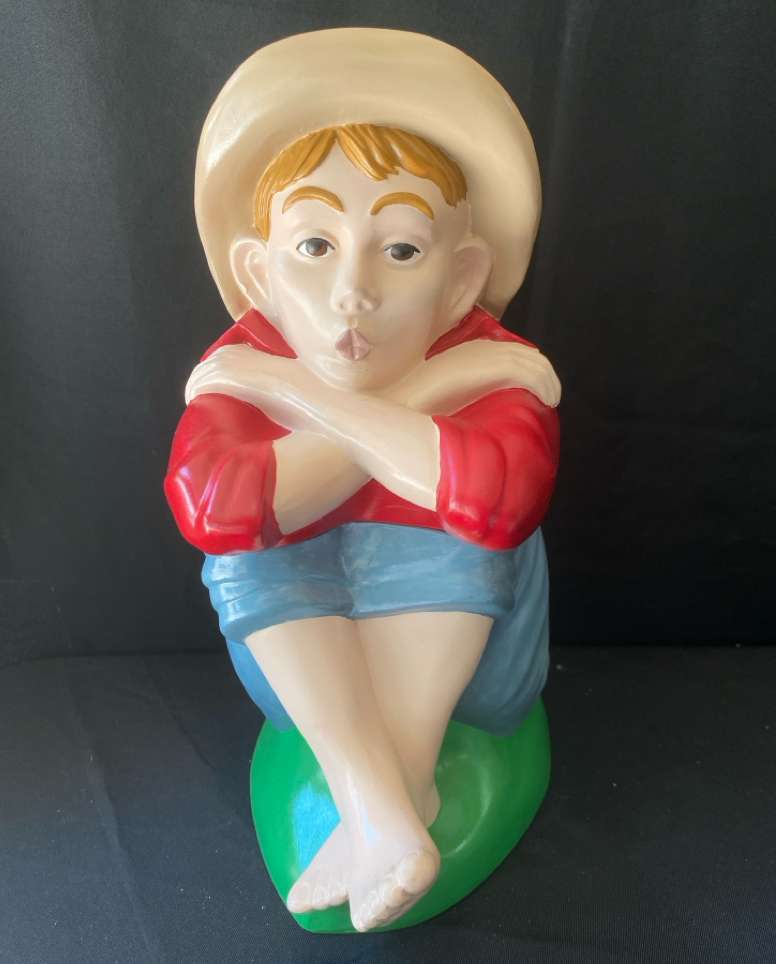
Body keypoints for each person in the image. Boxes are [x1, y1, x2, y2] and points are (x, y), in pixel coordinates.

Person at [165, 29, 561, 933]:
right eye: (313, 244)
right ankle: (378, 802)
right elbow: (216, 508)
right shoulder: (244, 362)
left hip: (473, 679)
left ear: (462, 279)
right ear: (259, 270)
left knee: (461, 524)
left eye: (402, 250)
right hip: (303, 679)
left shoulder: (495, 364)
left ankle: (401, 786)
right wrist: (423, 393)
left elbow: (497, 500)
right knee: (248, 555)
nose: (353, 291)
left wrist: (308, 398)